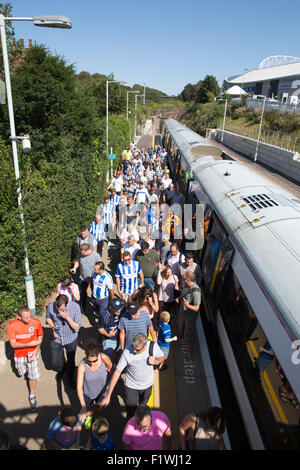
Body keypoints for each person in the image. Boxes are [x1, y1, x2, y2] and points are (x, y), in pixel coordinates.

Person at [99, 333, 165, 417]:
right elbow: (117, 372)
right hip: (131, 387)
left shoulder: (153, 347)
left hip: (147, 386)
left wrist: (156, 361)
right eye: (133, 347)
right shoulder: (127, 352)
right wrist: (108, 395)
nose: (133, 351)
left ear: (145, 346)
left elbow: (163, 357)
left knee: (143, 408)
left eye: (137, 350)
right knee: (131, 412)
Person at [7, 306, 43, 410]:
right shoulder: (12, 326)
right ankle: (25, 373)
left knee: (33, 375)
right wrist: (29, 343)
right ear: (19, 317)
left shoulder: (36, 322)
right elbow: (13, 344)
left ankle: (32, 395)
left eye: (29, 316)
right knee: (21, 372)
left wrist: (36, 350)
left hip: (32, 353)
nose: (29, 319)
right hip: (19, 355)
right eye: (26, 317)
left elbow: (39, 337)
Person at [45, 294, 81, 388]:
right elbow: (48, 317)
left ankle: (70, 378)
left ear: (66, 304)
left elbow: (77, 327)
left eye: (61, 309)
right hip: (57, 338)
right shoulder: (50, 306)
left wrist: (67, 318)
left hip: (71, 338)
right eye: (57, 308)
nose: (58, 311)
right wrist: (53, 327)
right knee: (55, 362)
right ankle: (61, 368)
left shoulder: (75, 307)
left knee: (71, 360)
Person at [77, 339, 112, 425]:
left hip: (102, 391)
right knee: (88, 407)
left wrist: (109, 391)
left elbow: (112, 370)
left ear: (98, 355)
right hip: (88, 392)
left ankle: (97, 417)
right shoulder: (82, 365)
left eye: (94, 361)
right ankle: (89, 416)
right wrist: (83, 407)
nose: (92, 363)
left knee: (100, 407)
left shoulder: (104, 358)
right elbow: (79, 387)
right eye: (89, 361)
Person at [176, 272, 201, 359]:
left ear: (188, 280)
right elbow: (183, 293)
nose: (182, 281)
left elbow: (197, 308)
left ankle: (190, 352)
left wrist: (188, 306)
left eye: (183, 279)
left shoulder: (196, 292)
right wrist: (179, 298)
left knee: (189, 335)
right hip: (183, 312)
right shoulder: (186, 286)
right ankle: (181, 333)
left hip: (190, 316)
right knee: (181, 325)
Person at [71, 243, 101, 312]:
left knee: (95, 294)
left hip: (93, 279)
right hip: (83, 278)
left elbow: (100, 265)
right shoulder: (80, 254)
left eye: (82, 253)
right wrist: (74, 268)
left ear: (87, 250)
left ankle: (96, 307)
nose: (81, 254)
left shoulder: (95, 255)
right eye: (81, 252)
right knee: (83, 295)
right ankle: (82, 309)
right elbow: (78, 262)